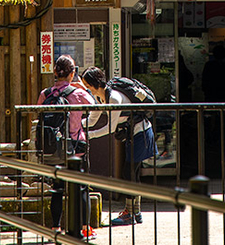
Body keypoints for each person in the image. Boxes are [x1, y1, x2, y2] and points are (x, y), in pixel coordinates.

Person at [81, 67, 156, 226]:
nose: (86, 87)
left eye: (87, 84)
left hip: (140, 134)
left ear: (95, 83)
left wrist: (89, 135)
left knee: (129, 173)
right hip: (134, 135)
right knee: (131, 174)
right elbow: (92, 120)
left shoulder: (113, 98)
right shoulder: (101, 97)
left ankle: (130, 213)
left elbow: (110, 128)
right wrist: (75, 127)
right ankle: (135, 212)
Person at [37, 55, 95, 234]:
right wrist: (82, 87)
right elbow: (93, 105)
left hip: (54, 148)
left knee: (57, 187)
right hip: (76, 145)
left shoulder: (45, 94)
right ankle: (84, 227)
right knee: (82, 187)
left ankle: (56, 227)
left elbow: (38, 114)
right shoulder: (78, 93)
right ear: (73, 73)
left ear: (55, 72)